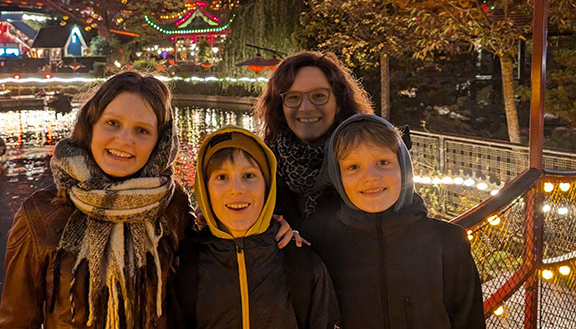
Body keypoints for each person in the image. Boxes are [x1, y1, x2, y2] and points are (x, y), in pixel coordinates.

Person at [0, 72, 193, 329]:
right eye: (112, 123)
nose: (124, 140)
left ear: (160, 142)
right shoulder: (40, 215)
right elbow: (17, 321)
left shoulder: (172, 204)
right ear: (91, 126)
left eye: (142, 130)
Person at [303, 114, 485, 329]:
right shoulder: (317, 242)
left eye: (383, 162)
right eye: (353, 167)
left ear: (403, 167)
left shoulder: (448, 242)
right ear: (337, 176)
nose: (371, 176)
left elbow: (469, 321)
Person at [171, 126, 340, 329]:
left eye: (249, 175)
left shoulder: (302, 263)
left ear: (267, 186)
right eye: (221, 177)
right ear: (205, 190)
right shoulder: (185, 265)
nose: (236, 189)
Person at [255, 51, 373, 228]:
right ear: (280, 107)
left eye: (319, 96)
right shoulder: (260, 169)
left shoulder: (371, 163)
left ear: (338, 103)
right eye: (293, 97)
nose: (306, 108)